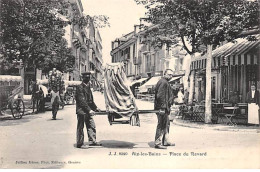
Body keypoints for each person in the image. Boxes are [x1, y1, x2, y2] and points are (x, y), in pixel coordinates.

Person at [75, 72, 102, 149]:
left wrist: (96, 108)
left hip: (88, 110)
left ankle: (92, 141)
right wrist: (89, 110)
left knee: (91, 125)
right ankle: (80, 143)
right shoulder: (79, 87)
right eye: (86, 77)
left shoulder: (88, 87)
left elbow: (91, 101)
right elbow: (82, 101)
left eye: (88, 77)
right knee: (80, 127)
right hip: (82, 110)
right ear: (82, 78)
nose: (87, 79)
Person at [154, 69, 175, 149]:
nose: (171, 76)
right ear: (165, 74)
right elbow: (160, 96)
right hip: (162, 108)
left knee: (166, 124)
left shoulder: (164, 82)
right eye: (169, 74)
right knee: (162, 125)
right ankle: (158, 143)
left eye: (172, 75)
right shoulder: (163, 82)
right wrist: (162, 108)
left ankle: (166, 141)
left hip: (164, 107)